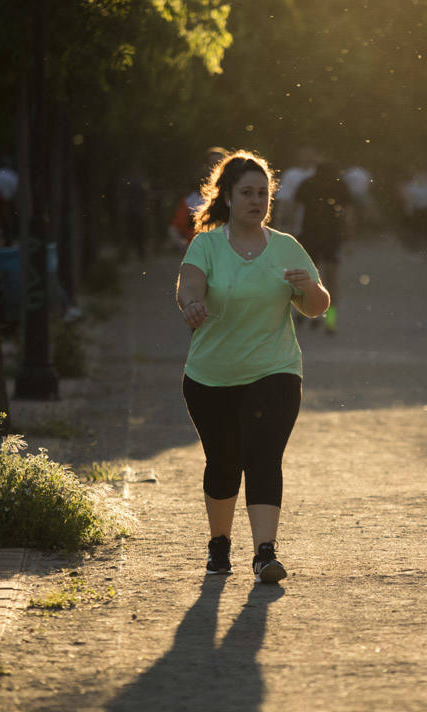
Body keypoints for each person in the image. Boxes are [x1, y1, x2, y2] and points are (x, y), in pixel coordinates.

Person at [176, 150, 331, 583]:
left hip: (275, 369)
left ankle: (265, 552)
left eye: (263, 192)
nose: (256, 200)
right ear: (227, 197)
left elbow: (317, 307)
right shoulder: (206, 244)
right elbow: (189, 284)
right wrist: (191, 304)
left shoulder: (286, 247)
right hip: (211, 376)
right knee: (223, 461)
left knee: (263, 455)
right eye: (246, 192)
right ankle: (219, 543)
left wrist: (311, 287)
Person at [294, 160, 353, 333]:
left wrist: (291, 232)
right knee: (331, 280)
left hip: (309, 235)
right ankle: (330, 321)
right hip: (332, 237)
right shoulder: (340, 185)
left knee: (309, 277)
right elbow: (349, 215)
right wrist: (349, 238)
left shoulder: (306, 184)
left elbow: (296, 210)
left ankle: (307, 313)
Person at [169, 146, 227, 251]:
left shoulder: (238, 197)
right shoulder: (190, 201)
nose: (215, 168)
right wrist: (186, 248)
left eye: (220, 164)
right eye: (212, 164)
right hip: (200, 257)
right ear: (204, 167)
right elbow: (174, 228)